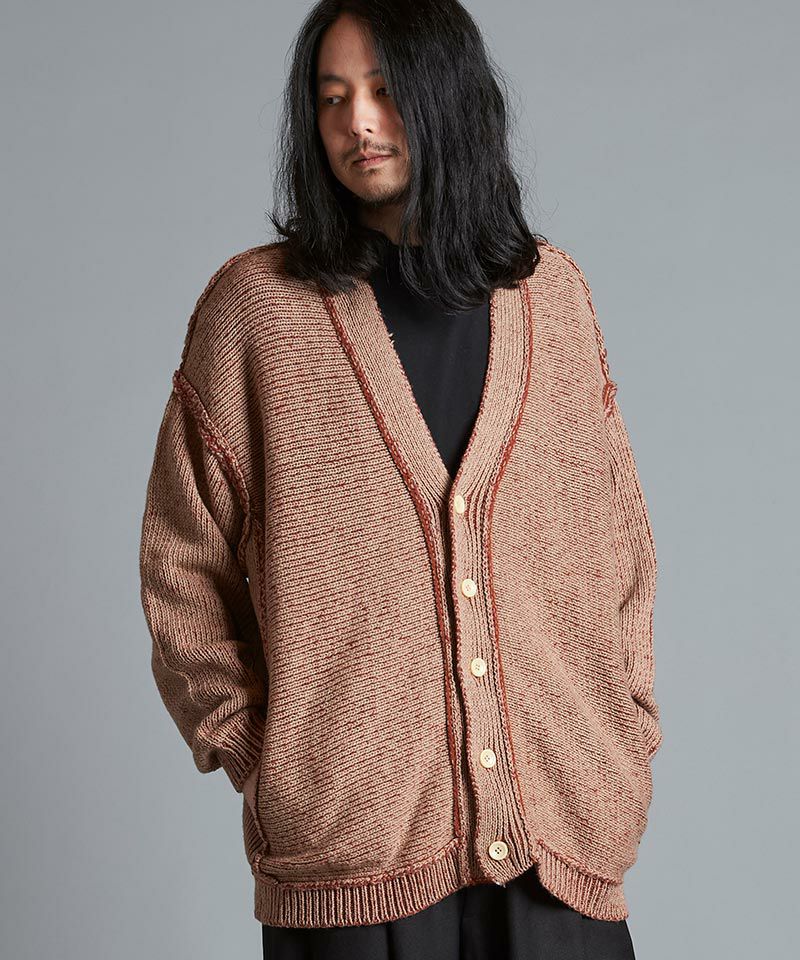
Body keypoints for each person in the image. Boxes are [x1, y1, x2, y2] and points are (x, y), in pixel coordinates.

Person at [138, 2, 661, 958]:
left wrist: (624, 731)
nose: (359, 123)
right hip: (353, 862)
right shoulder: (257, 312)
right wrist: (270, 756)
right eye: (332, 98)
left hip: (561, 847)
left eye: (384, 91)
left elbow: (619, 542)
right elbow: (182, 563)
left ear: (449, 97)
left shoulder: (554, 297)